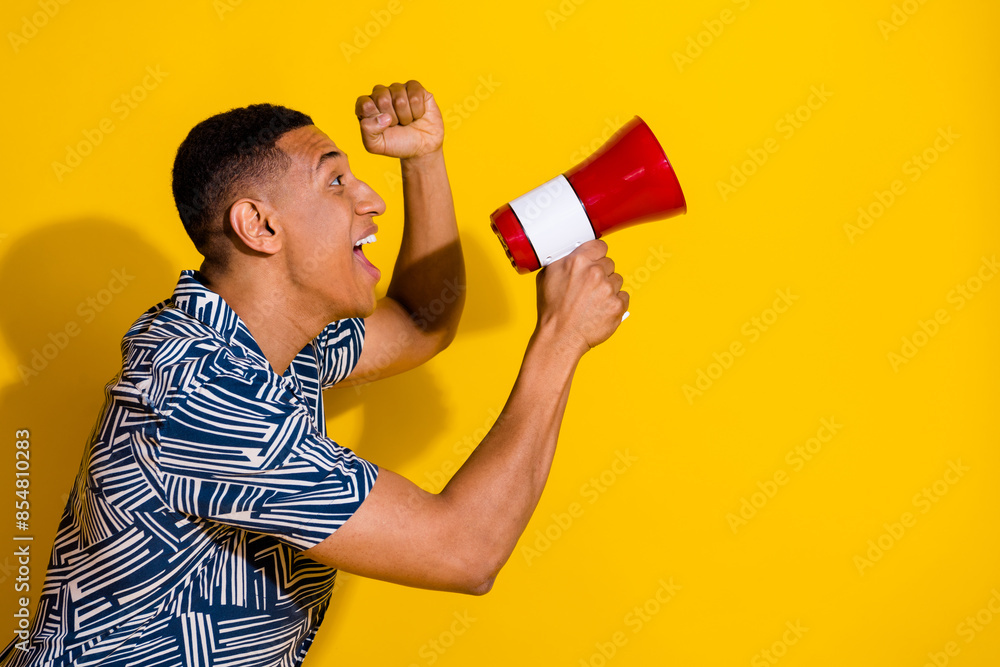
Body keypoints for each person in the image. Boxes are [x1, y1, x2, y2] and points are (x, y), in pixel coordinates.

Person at [0, 80, 628, 667]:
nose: (371, 200)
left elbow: (418, 321)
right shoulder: (200, 393)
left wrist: (423, 160)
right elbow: (465, 553)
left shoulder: (263, 336)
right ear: (261, 225)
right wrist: (561, 337)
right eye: (335, 183)